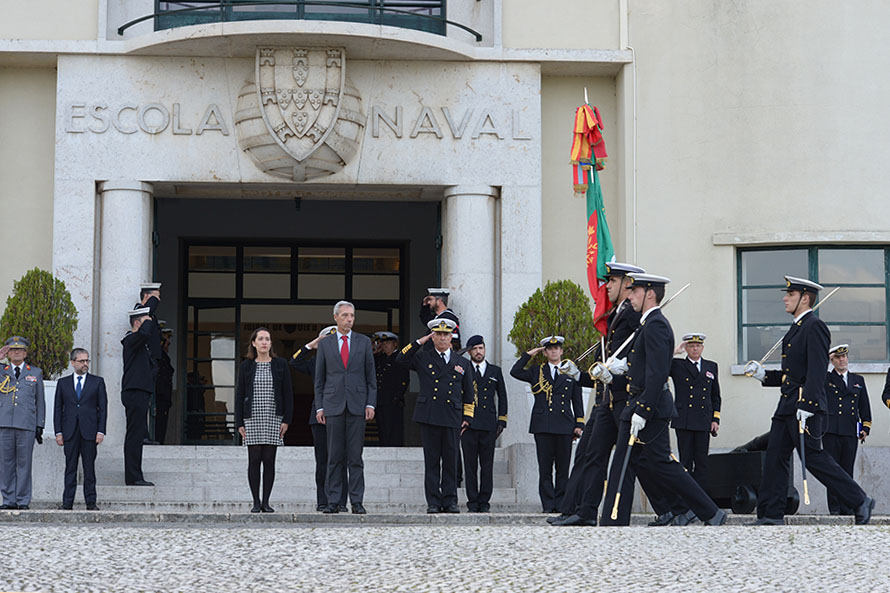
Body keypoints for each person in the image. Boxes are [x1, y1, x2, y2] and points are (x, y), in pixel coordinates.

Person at [597, 273, 726, 527]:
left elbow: (657, 373)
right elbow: (646, 366)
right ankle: (708, 511)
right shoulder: (648, 324)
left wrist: (643, 411)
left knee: (656, 462)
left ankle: (709, 511)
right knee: (641, 461)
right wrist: (623, 368)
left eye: (634, 292)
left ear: (650, 294)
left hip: (649, 406)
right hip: (641, 402)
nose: (630, 296)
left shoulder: (656, 324)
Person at [744, 276, 874, 525]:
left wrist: (809, 405)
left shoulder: (814, 326)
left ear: (805, 298)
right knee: (775, 458)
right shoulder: (796, 328)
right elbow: (792, 375)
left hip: (804, 406)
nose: (784, 298)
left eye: (790, 295)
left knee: (814, 458)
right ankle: (771, 514)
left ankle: (859, 500)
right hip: (787, 406)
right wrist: (764, 376)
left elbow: (816, 370)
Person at [548, 262, 644, 526]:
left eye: (612, 281)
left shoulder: (634, 316)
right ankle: (584, 511)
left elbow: (638, 359)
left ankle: (678, 507)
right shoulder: (616, 315)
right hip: (607, 399)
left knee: (646, 462)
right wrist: (579, 375)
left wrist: (618, 372)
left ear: (628, 283)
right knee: (592, 455)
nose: (606, 286)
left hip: (623, 398)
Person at [396, 318, 474, 513]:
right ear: (433, 337)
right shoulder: (423, 357)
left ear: (451, 337)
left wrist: (468, 417)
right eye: (438, 334)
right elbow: (400, 358)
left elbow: (469, 393)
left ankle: (450, 501)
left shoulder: (462, 362)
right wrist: (420, 342)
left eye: (445, 335)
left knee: (451, 461)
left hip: (452, 416)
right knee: (432, 461)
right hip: (429, 415)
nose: (442, 338)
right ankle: (433, 501)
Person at [314, 301, 377, 514]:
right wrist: (320, 407)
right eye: (345, 315)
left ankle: (357, 501)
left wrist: (370, 403)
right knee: (334, 457)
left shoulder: (364, 342)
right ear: (335, 317)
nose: (349, 319)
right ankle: (333, 501)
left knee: (355, 457)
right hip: (332, 406)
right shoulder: (325, 344)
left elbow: (371, 376)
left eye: (351, 315)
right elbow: (319, 379)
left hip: (357, 406)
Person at [510, 336, 584, 513]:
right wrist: (530, 354)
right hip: (543, 426)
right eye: (549, 349)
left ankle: (562, 505)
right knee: (545, 469)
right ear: (545, 352)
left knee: (562, 469)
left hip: (565, 425)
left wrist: (579, 423)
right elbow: (516, 371)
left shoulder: (570, 371)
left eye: (556, 348)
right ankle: (548, 506)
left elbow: (577, 400)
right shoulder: (537, 371)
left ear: (561, 351)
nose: (553, 351)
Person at [290, 325, 347, 512]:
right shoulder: (315, 361)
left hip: (341, 414)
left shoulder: (345, 360)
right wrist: (312, 344)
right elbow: (294, 361)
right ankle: (323, 500)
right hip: (320, 416)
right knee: (322, 461)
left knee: (340, 459)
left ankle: (340, 501)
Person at [235, 327, 293, 513]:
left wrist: (286, 420)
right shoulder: (246, 365)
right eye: (260, 339)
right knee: (254, 459)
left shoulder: (280, 364)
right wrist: (239, 423)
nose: (264, 342)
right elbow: (240, 394)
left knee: (269, 459)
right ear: (254, 343)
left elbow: (287, 394)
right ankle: (255, 501)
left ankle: (266, 502)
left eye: (267, 339)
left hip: (273, 416)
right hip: (252, 416)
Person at [54, 348, 107, 510]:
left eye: (87, 361)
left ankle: (91, 503)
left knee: (89, 468)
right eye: (82, 361)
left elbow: (103, 408)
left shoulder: (97, 382)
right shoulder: (63, 383)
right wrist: (58, 432)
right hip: (69, 431)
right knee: (70, 468)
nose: (85, 364)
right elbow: (58, 409)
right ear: (72, 362)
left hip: (90, 432)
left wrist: (101, 431)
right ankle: (67, 502)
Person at [461, 334, 507, 512]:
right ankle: (472, 502)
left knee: (487, 466)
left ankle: (484, 501)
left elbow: (502, 396)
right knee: (470, 466)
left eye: (481, 348)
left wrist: (502, 420)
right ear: (469, 352)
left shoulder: (495, 371)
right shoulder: (463, 369)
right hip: (469, 425)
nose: (478, 352)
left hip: (489, 425)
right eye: (474, 349)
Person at [669, 332, 721, 491]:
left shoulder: (711, 366)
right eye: (691, 346)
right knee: (685, 461)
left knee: (702, 462)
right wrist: (673, 352)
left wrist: (715, 419)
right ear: (686, 348)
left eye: (698, 346)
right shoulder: (677, 365)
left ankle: (702, 499)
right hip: (684, 420)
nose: (695, 349)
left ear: (702, 348)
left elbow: (715, 395)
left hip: (703, 420)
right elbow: (659, 364)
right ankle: (686, 498)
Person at [823, 344, 871, 515]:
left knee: (847, 471)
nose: (841, 360)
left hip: (850, 431)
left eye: (844, 357)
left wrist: (865, 426)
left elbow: (864, 406)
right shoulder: (825, 379)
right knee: (832, 471)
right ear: (832, 360)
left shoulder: (858, 380)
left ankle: (847, 507)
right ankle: (835, 509)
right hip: (830, 432)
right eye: (837, 357)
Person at [0, 337, 45, 510]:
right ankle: (8, 499)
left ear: (25, 353)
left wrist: (40, 424)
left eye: (20, 350)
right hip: (4, 423)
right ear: (8, 353)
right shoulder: (1, 370)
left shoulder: (35, 372)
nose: (16, 352)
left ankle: (23, 500)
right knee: (5, 464)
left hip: (26, 424)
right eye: (12, 350)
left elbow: (40, 401)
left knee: (24, 464)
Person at [121, 307, 159, 486]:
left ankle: (135, 475)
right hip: (134, 391)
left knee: (137, 435)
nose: (149, 325)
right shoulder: (130, 339)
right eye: (146, 322)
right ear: (137, 323)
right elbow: (144, 334)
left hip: (140, 391)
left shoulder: (140, 343)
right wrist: (148, 317)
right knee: (135, 435)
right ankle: (134, 477)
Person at [374, 331, 409, 447]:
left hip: (393, 401)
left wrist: (396, 397)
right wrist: (375, 353)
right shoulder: (380, 358)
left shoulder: (399, 357)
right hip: (380, 400)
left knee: (393, 429)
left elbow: (404, 380)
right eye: (383, 344)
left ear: (394, 344)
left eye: (388, 343)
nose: (385, 346)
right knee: (382, 427)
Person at [154, 328, 174, 444]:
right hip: (160, 397)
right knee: (159, 425)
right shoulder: (159, 357)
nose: (168, 345)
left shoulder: (164, 357)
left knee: (162, 425)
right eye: (166, 341)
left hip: (164, 399)